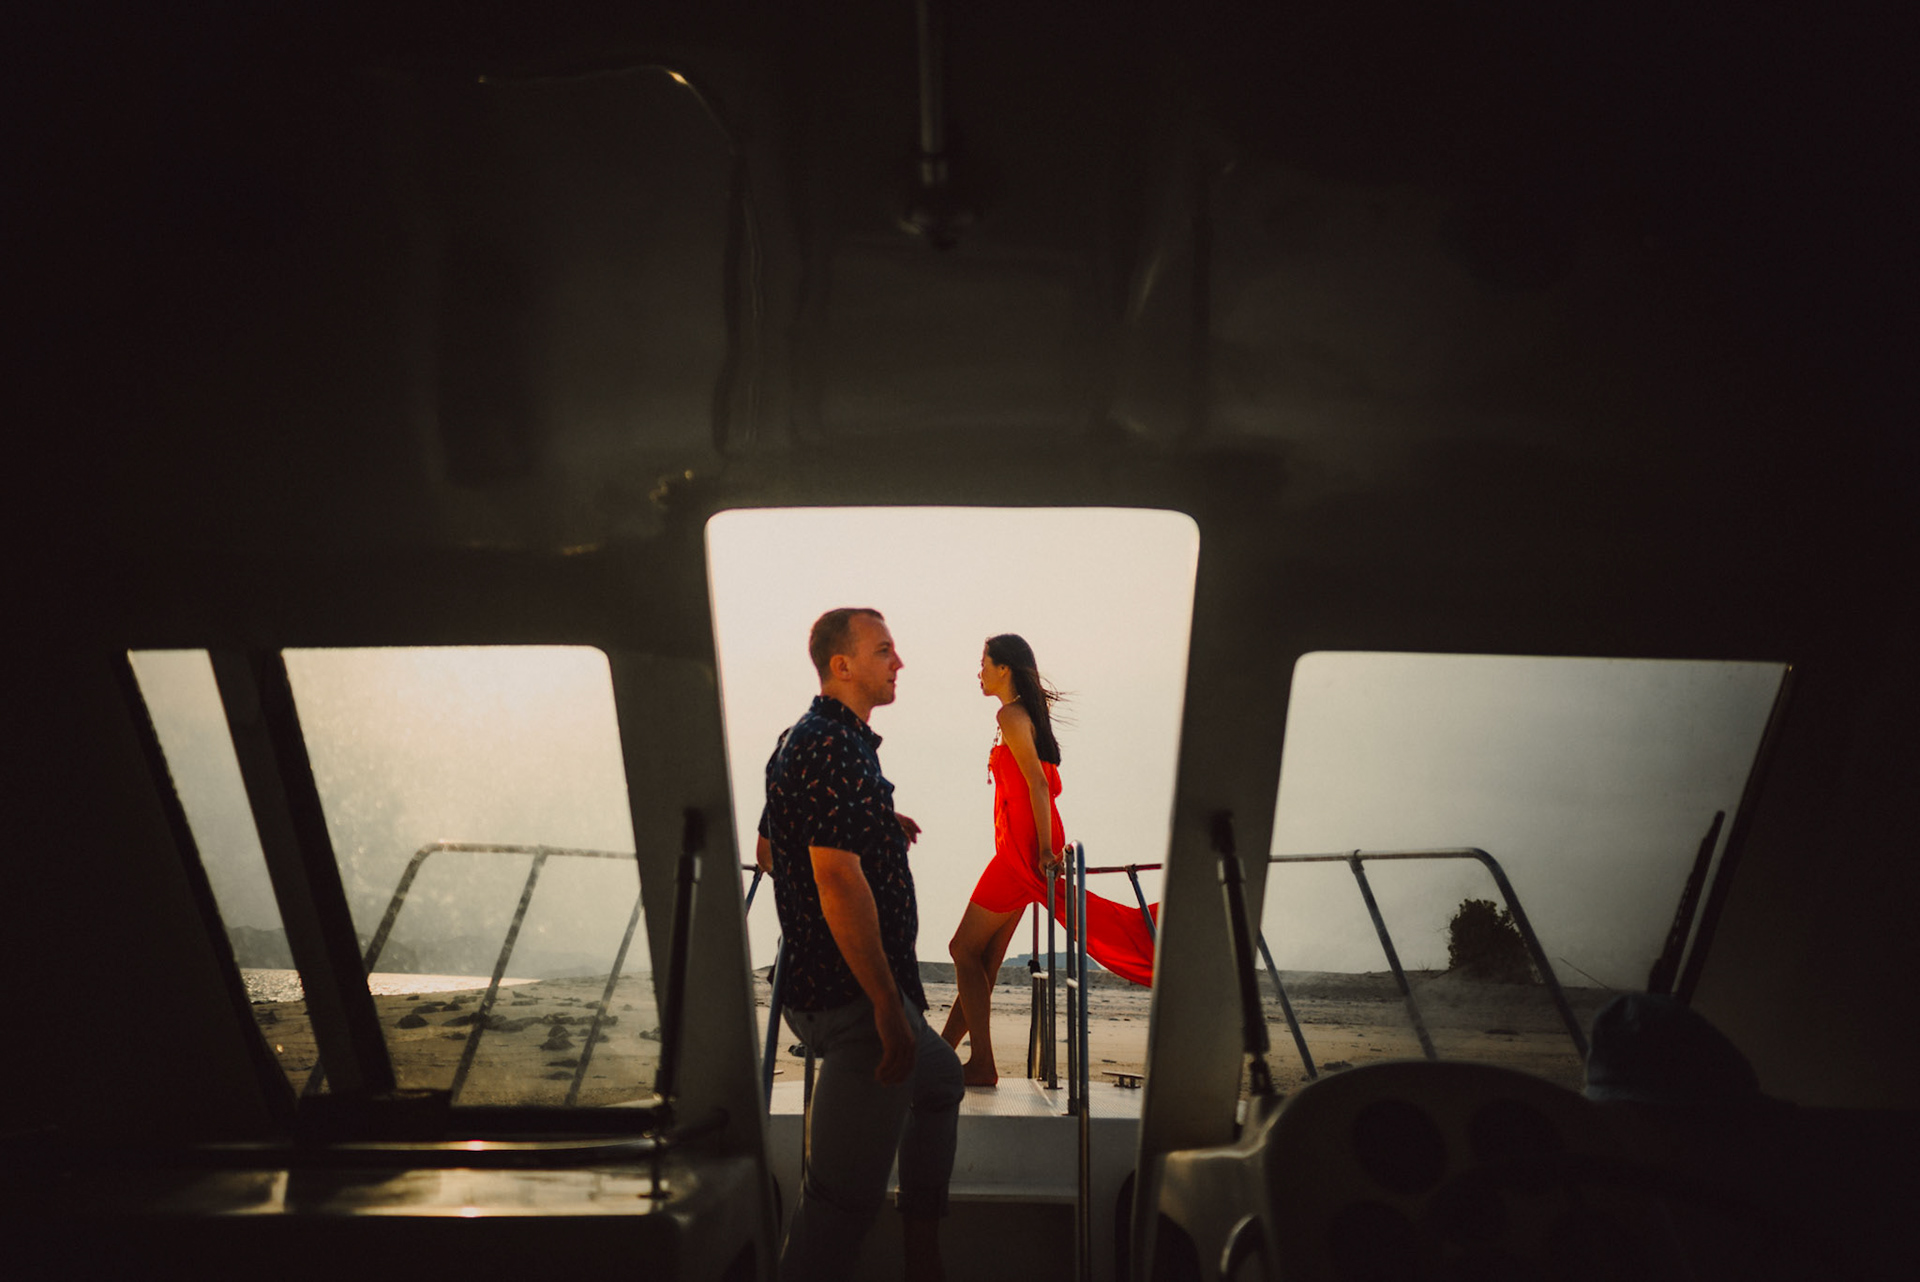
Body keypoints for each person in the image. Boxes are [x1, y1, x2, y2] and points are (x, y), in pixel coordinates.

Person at [760, 607, 964, 1282]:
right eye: (884, 651)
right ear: (841, 665)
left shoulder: (807, 738)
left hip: (850, 989)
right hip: (852, 1000)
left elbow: (768, 847)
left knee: (940, 1082)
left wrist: (873, 817)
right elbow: (836, 880)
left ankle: (922, 1258)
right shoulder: (832, 746)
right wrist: (883, 1005)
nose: (898, 663)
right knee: (838, 1212)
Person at [941, 634, 1157, 1087]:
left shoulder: (1011, 714)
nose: (977, 671)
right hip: (1020, 844)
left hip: (1023, 850)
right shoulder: (1021, 716)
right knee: (984, 960)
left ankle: (978, 1063)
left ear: (1004, 668)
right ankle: (946, 1058)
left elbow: (1039, 785)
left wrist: (1042, 850)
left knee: (963, 949)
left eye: (983, 663)